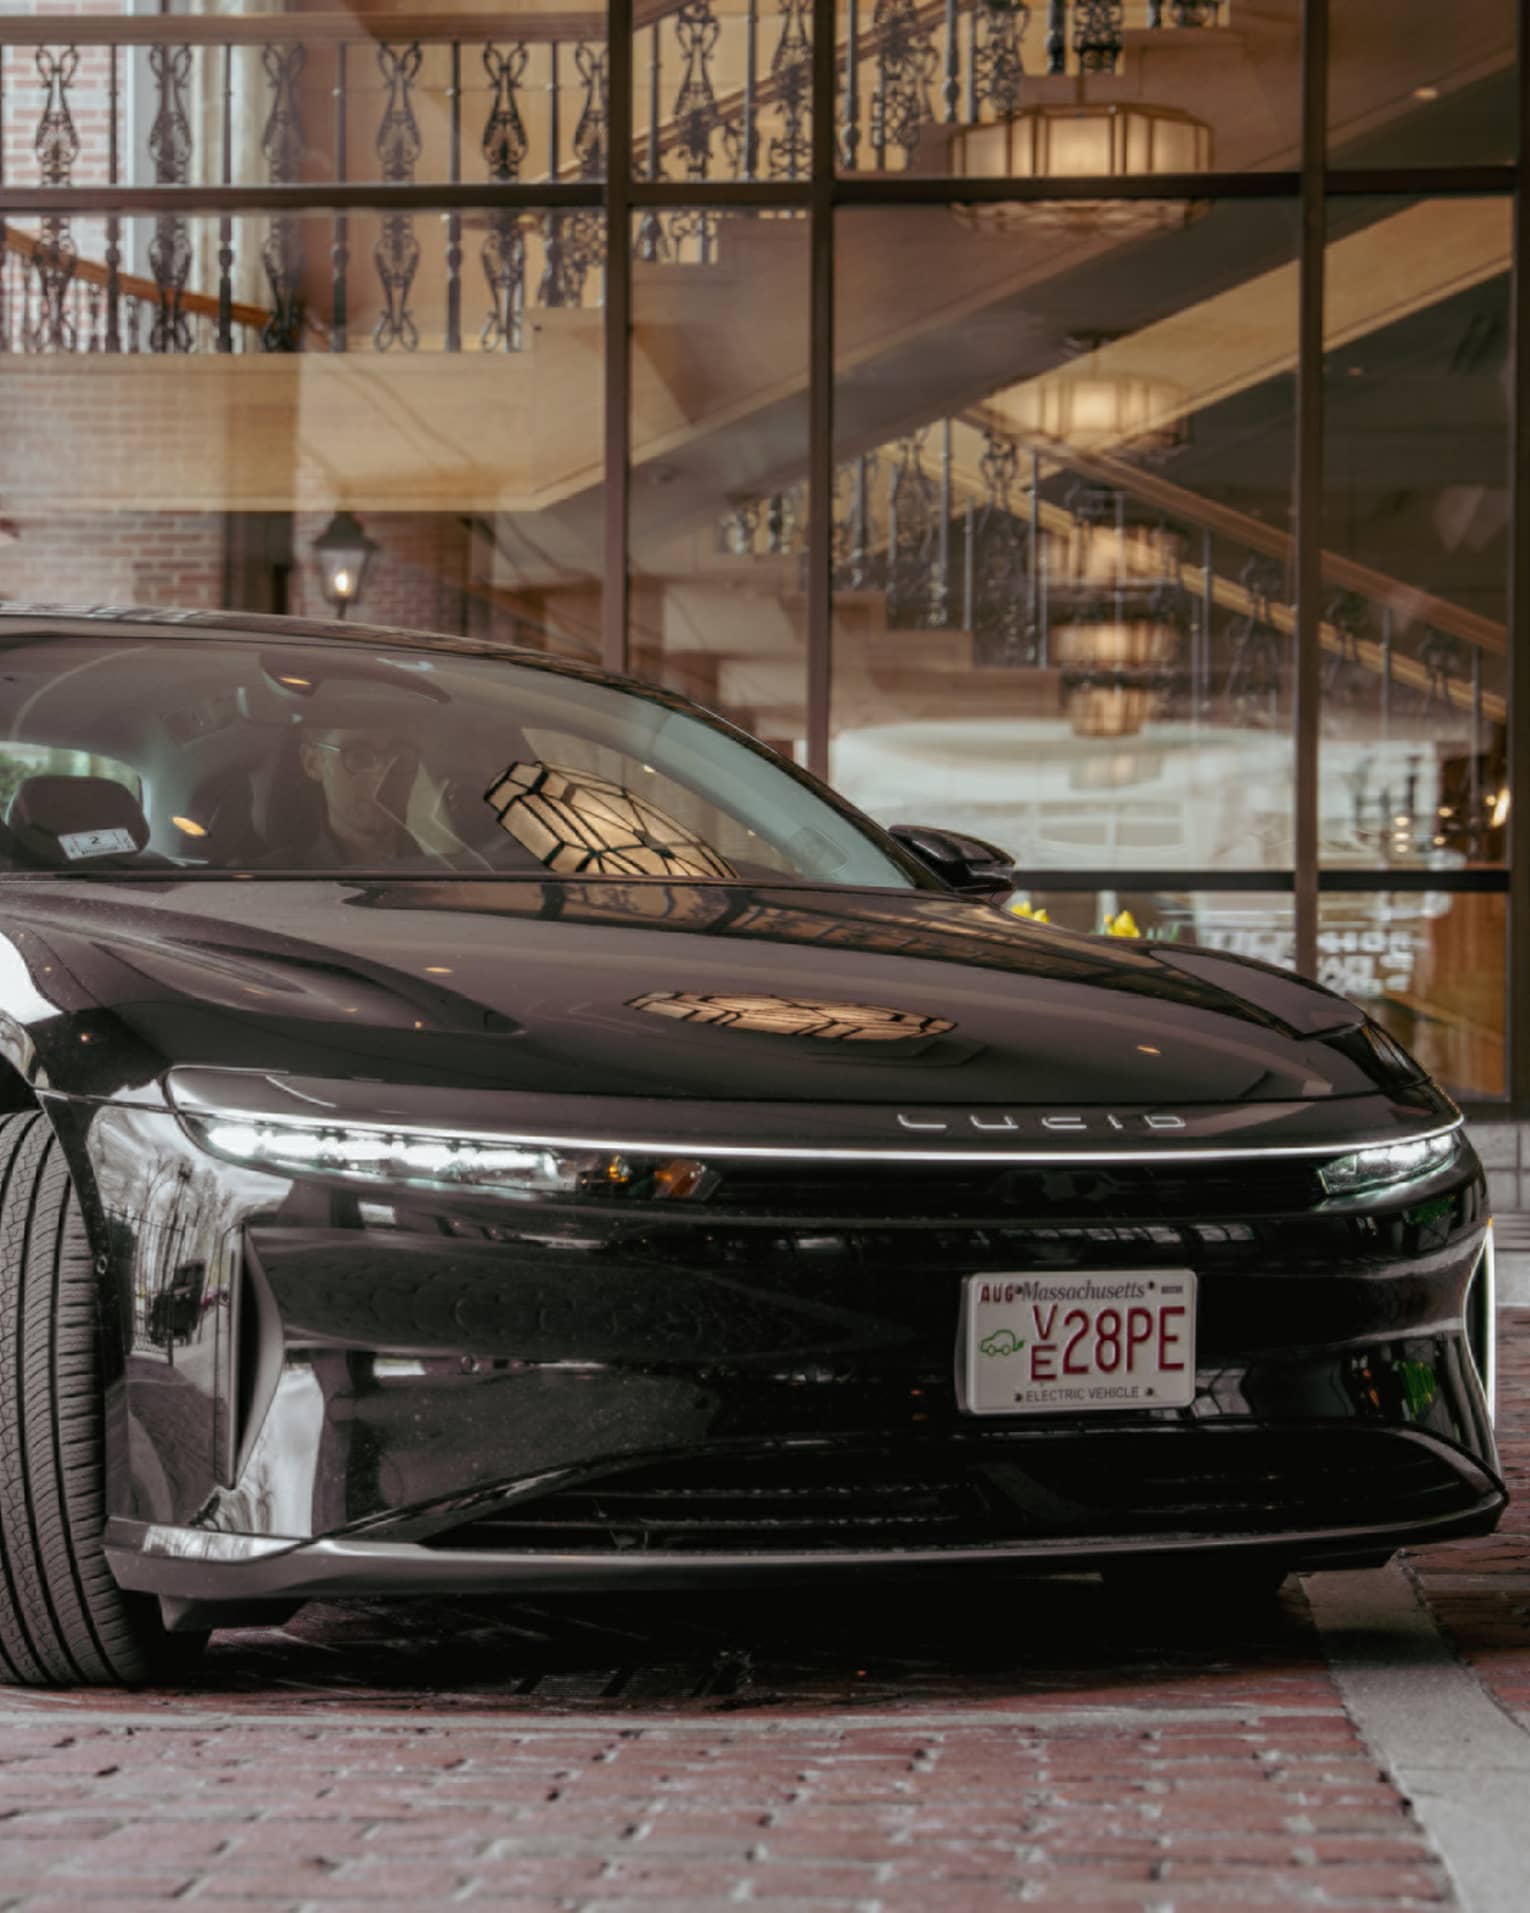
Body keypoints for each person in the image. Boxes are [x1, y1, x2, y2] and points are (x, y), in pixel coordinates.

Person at [292, 725, 430, 866]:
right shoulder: (281, 881)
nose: (383, 776)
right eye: (358, 756)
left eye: (400, 756)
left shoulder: (443, 865)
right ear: (313, 763)